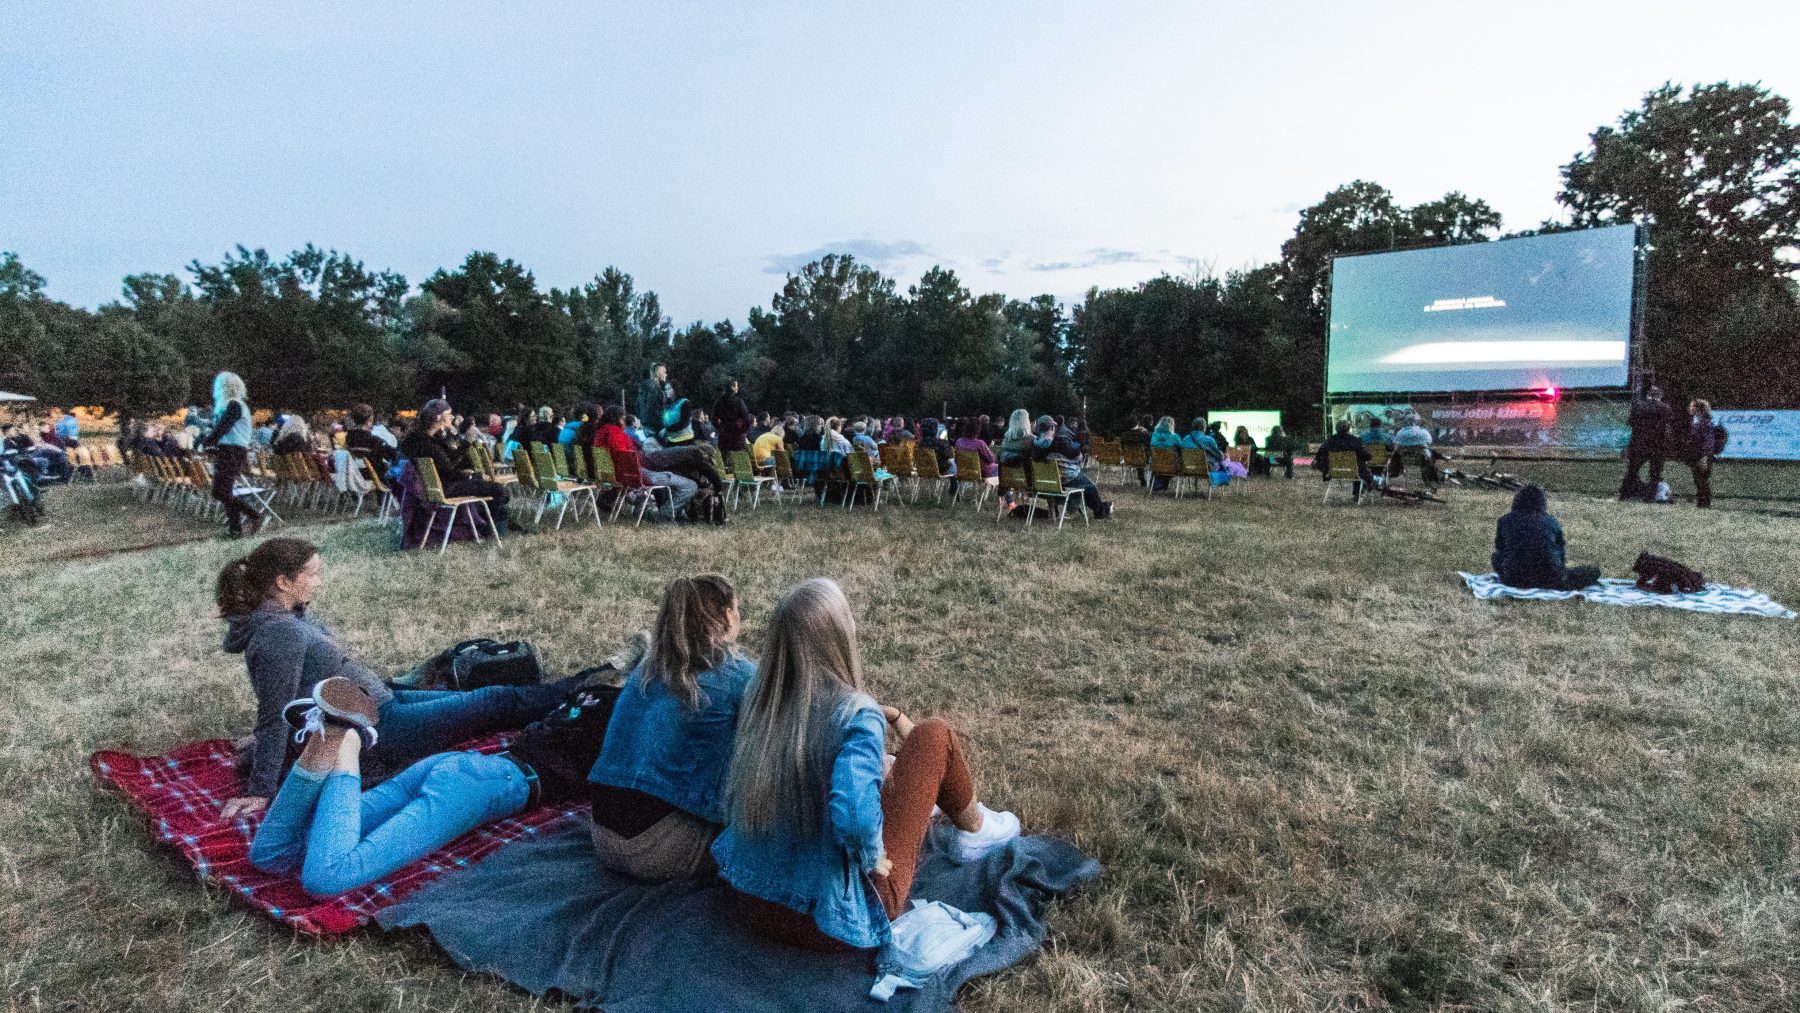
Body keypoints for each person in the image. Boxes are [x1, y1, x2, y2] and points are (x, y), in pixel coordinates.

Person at [713, 578, 1021, 952]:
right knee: (933, 736)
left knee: (888, 770)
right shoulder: (854, 715)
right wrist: (872, 855)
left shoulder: (760, 701)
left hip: (751, 899)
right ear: (839, 637)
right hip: (827, 919)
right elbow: (854, 816)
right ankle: (976, 831)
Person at [247, 627, 647, 897]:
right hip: (481, 787)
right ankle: (347, 743)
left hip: (456, 767)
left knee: (271, 855)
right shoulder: (628, 721)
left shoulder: (587, 699)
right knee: (326, 878)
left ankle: (325, 743)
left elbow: (575, 694)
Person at [215, 538, 577, 822]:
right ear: (282, 582)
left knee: (486, 696)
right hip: (382, 726)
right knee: (495, 701)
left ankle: (585, 688)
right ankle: (591, 687)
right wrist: (261, 789)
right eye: (311, 574)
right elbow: (274, 708)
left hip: (382, 699)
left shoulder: (288, 615)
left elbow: (289, 695)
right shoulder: (280, 634)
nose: (318, 581)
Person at [588, 575, 755, 881]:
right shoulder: (739, 675)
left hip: (600, 832)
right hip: (657, 847)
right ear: (729, 614)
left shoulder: (646, 668)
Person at [397, 399, 511, 532]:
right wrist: (471, 474)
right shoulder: (429, 445)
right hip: (447, 487)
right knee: (500, 490)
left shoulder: (422, 439)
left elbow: (448, 462)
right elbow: (450, 471)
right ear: (438, 417)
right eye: (449, 414)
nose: (451, 417)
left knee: (489, 485)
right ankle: (489, 529)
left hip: (439, 486)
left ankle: (496, 523)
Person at [193, 371, 266, 537]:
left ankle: (254, 515)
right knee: (225, 491)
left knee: (221, 492)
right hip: (229, 449)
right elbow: (220, 428)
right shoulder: (233, 406)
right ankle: (235, 530)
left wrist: (207, 442)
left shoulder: (235, 405)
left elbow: (223, 427)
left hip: (232, 450)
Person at [1491, 485, 1600, 590]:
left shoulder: (1504, 520)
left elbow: (1500, 549)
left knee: (1495, 557)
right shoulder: (1551, 521)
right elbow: (1561, 554)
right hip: (1551, 579)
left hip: (1513, 579)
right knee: (1593, 571)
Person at [1029, 415, 1112, 518]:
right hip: (1066, 479)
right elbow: (1078, 456)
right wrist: (1076, 445)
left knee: (1084, 484)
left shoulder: (1034, 446)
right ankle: (1101, 510)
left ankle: (1101, 507)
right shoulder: (1059, 443)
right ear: (1051, 428)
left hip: (1047, 484)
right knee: (1090, 488)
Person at [1618, 386, 1674, 502]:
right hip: (1658, 445)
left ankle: (1624, 495)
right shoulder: (1665, 409)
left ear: (1648, 395)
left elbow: (1631, 423)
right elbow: (1666, 429)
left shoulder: (1638, 407)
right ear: (1660, 396)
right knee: (1655, 474)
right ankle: (1649, 498)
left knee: (1632, 470)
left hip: (1639, 444)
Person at [1313, 420, 1372, 503]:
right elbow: (1367, 456)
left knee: (1360, 468)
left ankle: (1357, 493)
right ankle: (1358, 493)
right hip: (1355, 471)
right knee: (1363, 471)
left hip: (1333, 471)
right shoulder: (1355, 440)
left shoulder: (1329, 441)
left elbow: (1319, 456)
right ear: (1348, 429)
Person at [1682, 398, 1718, 509]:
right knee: (1699, 479)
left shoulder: (1704, 423)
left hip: (1703, 456)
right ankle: (1701, 502)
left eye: (1692, 406)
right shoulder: (1699, 422)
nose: (1689, 408)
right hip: (1698, 455)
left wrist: (1704, 457)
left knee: (1701, 479)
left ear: (1698, 409)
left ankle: (1704, 503)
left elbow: (1708, 442)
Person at [343, 404, 395, 472]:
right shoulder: (375, 440)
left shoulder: (348, 438)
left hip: (356, 475)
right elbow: (393, 455)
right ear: (370, 420)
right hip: (375, 476)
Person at [1390, 413, 1438, 485]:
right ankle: (1431, 478)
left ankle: (1395, 472)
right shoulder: (1424, 432)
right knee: (1431, 453)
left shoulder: (1400, 433)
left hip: (1404, 459)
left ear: (1406, 421)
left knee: (1396, 453)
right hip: (1422, 459)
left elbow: (1395, 443)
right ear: (1417, 421)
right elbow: (1429, 442)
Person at [711, 379, 754, 453]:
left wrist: (720, 428)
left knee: (725, 458)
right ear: (732, 387)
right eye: (736, 386)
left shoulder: (718, 401)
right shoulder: (738, 401)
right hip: (736, 436)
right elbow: (746, 418)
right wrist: (742, 430)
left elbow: (713, 418)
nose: (737, 387)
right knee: (738, 460)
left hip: (723, 436)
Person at [637, 363, 674, 438]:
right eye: (664, 372)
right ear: (657, 373)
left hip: (646, 425)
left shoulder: (644, 388)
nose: (666, 375)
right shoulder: (655, 388)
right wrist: (662, 426)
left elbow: (638, 406)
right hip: (657, 427)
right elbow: (656, 407)